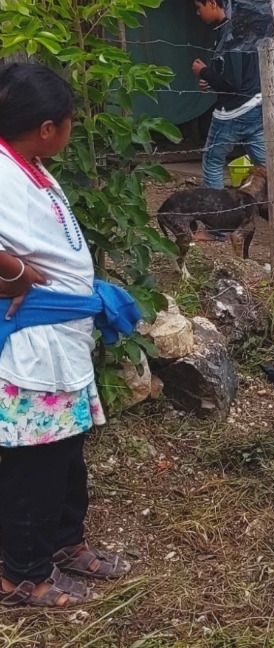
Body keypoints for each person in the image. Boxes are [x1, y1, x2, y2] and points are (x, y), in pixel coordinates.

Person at [0, 63, 139, 608]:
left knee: (64, 452)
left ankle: (62, 544)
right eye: (70, 121)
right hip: (34, 343)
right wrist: (13, 274)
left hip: (62, 338)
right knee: (33, 463)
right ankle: (21, 576)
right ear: (48, 128)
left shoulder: (27, 163)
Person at [189, 0, 267, 190]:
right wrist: (212, 82)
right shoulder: (240, 27)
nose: (198, 13)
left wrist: (203, 71)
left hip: (233, 111)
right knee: (268, 164)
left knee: (213, 161)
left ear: (212, 3)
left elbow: (233, 84)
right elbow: (235, 74)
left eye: (199, 8)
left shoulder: (229, 35)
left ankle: (216, 215)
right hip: (254, 104)